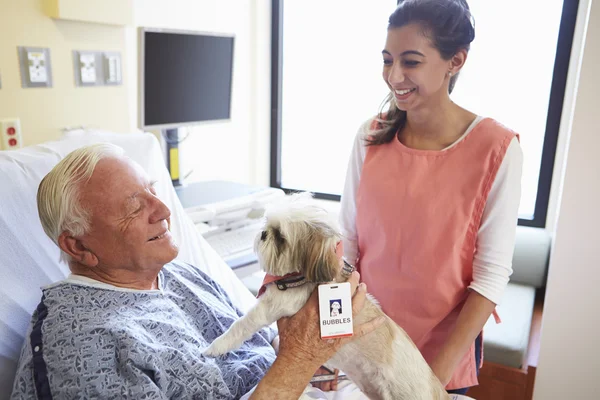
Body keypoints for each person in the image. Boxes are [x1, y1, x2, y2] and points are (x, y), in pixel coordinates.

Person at [11, 143, 381, 400]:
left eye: (153, 191)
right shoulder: (79, 344)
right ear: (78, 246)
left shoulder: (183, 276)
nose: (163, 210)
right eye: (134, 206)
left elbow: (259, 351)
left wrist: (315, 360)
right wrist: (298, 358)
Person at [339, 0, 523, 395]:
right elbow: (347, 248)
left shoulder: (497, 149)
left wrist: (426, 383)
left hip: (441, 357)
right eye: (388, 60)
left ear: (455, 61)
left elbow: (490, 278)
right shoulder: (369, 137)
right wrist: (331, 341)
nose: (394, 75)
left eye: (411, 61)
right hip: (364, 344)